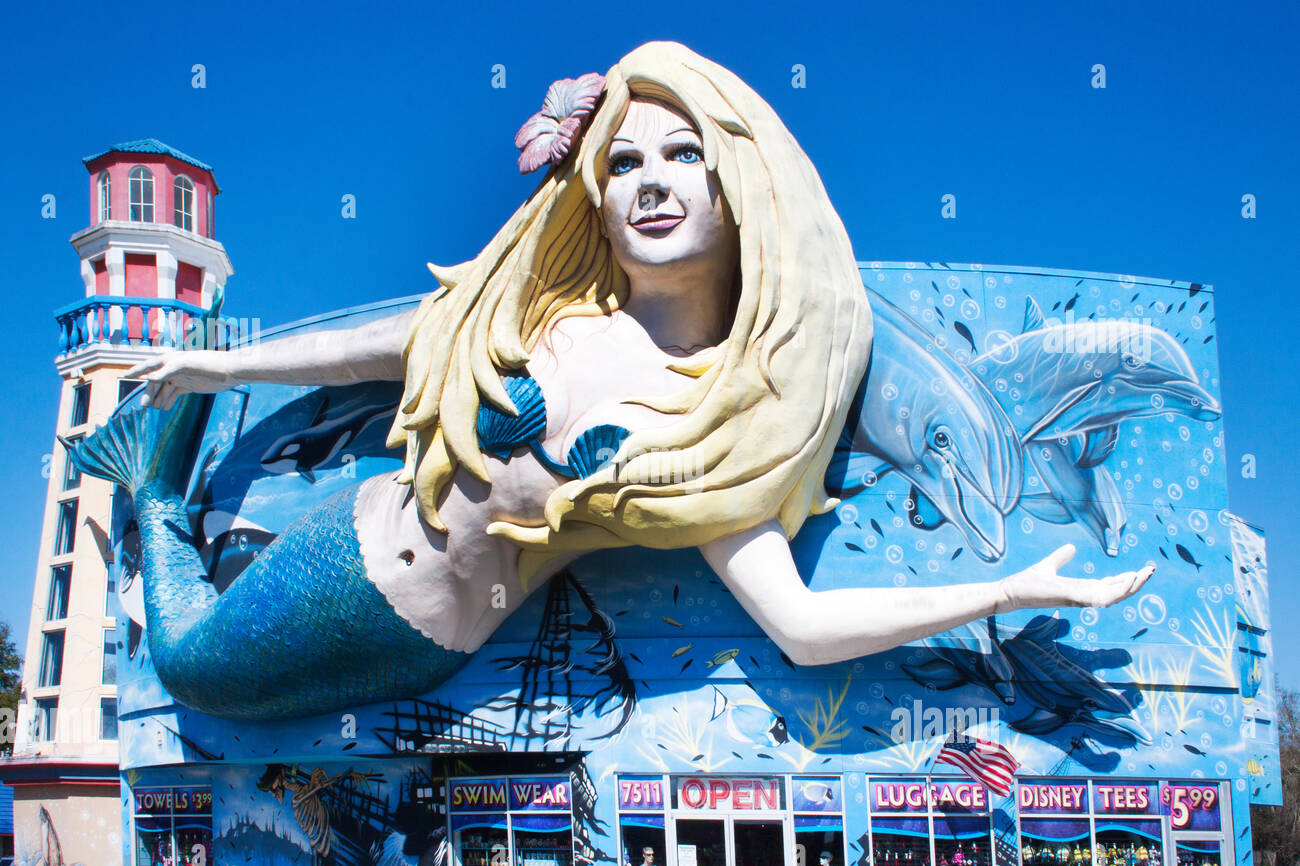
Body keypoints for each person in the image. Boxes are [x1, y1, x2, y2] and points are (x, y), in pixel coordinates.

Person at [72, 42, 1152, 722]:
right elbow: (388, 340)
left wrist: (1007, 591)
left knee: (196, 667)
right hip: (340, 530)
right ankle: (160, 499)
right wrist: (218, 359)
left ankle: (156, 503)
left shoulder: (723, 419)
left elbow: (803, 627)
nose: (649, 183)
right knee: (191, 655)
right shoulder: (550, 315)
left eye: (682, 156)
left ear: (739, 185)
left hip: (401, 627)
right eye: (624, 162)